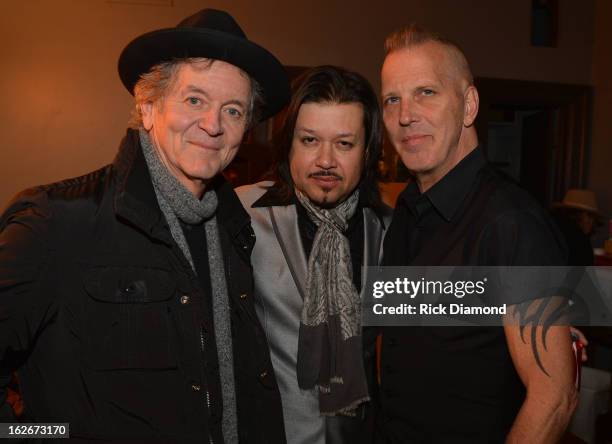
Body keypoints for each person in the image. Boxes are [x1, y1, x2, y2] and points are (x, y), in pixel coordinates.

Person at [0, 9, 289, 443]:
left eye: (233, 110)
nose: (212, 125)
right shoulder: (56, 220)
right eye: (194, 100)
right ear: (148, 107)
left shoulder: (235, 230)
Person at [377, 25, 577, 443]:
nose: (405, 115)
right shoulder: (406, 215)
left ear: (468, 106)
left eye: (426, 92)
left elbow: (554, 396)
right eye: (392, 98)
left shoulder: (511, 222)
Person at [236, 65, 391, 444]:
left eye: (344, 143)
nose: (325, 160)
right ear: (288, 143)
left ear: (367, 150)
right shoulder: (240, 214)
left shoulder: (388, 228)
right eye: (309, 141)